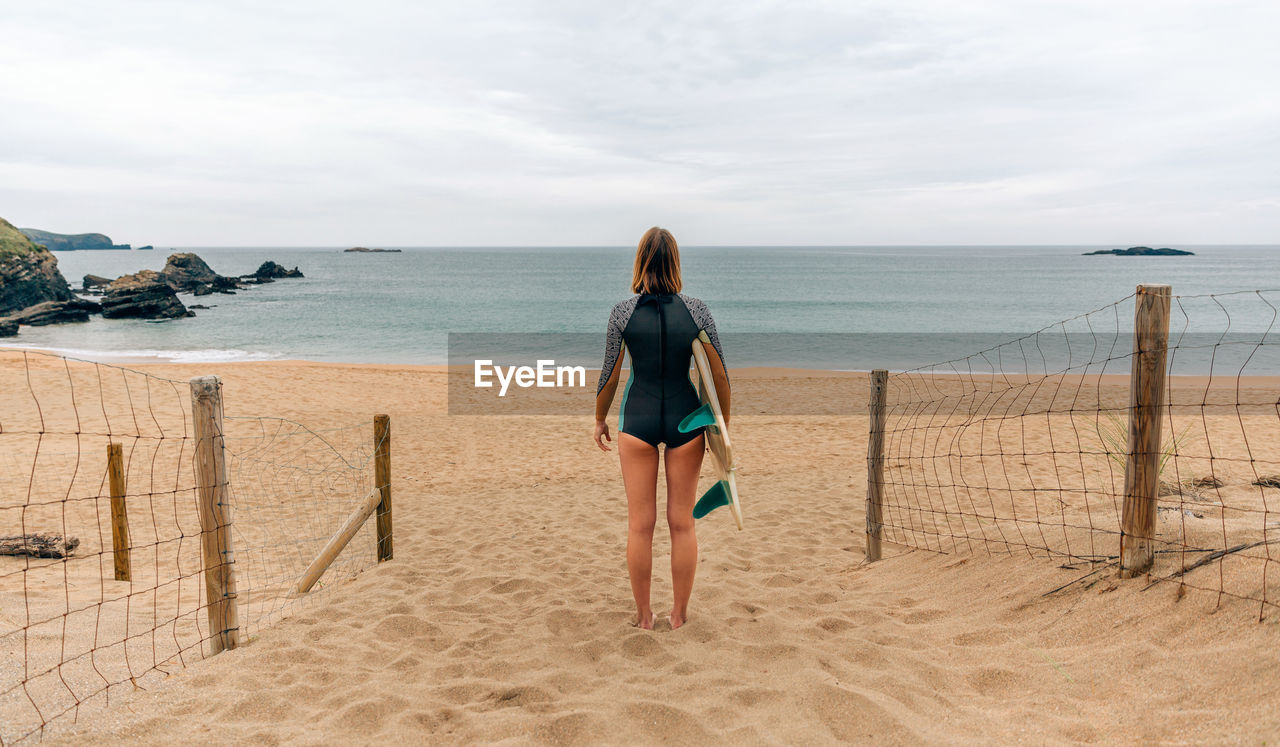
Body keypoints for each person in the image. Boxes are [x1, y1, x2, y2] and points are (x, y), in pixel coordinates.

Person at [593, 227, 730, 630]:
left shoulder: (622, 312)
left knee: (640, 524)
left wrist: (599, 418)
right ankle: (680, 615)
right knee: (682, 522)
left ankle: (643, 616)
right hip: (687, 420)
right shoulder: (697, 310)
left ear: (640, 262)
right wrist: (723, 427)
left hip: (637, 420)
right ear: (675, 262)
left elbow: (609, 375)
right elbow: (720, 377)